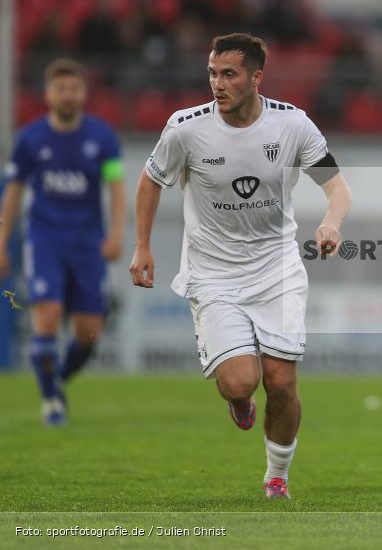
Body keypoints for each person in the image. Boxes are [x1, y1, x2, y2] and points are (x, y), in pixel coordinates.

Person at [128, 33, 351, 497]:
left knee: (282, 381)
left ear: (256, 77)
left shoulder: (292, 124)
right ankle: (238, 400)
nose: (217, 83)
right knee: (241, 381)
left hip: (277, 270)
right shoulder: (185, 128)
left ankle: (277, 477)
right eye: (212, 73)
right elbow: (150, 181)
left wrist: (332, 222)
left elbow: (336, 186)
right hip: (213, 274)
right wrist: (142, 247)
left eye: (228, 74)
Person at [0, 58, 126, 426]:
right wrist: (3, 239)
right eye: (60, 89)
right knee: (49, 315)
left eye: (74, 88)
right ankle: (52, 401)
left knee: (89, 332)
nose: (67, 95)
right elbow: (13, 193)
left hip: (88, 241)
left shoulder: (102, 137)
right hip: (45, 238)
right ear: (48, 94)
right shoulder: (29, 139)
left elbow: (116, 188)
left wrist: (117, 234)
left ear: (83, 94)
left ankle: (56, 379)